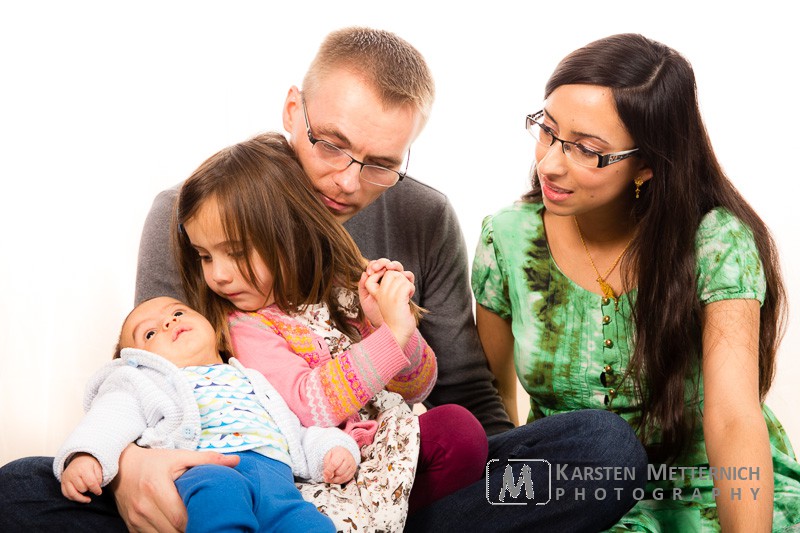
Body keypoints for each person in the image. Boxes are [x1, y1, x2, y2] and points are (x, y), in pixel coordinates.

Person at [0, 27, 646, 533]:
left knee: (602, 447)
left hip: (387, 470)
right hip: (230, 473)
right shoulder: (193, 212)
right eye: (331, 144)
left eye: (380, 164)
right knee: (21, 487)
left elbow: (464, 390)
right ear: (292, 109)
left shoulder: (423, 214)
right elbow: (154, 375)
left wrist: (499, 485)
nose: (346, 179)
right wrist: (129, 468)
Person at [470, 33, 800, 531]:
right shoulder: (507, 238)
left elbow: (733, 419)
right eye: (548, 131)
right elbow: (491, 403)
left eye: (587, 150)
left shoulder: (713, 242)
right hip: (573, 485)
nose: (550, 163)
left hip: (704, 487)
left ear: (646, 164)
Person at [174, 131, 488, 530]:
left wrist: (386, 322)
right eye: (204, 256)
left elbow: (418, 388)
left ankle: (397, 518)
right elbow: (310, 404)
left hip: (381, 455)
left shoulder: (340, 291)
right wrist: (389, 336)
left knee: (457, 432)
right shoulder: (244, 326)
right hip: (318, 478)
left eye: (235, 253)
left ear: (291, 233)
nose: (217, 275)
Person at [56, 296, 358, 532]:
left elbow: (294, 430)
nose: (168, 323)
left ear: (212, 328)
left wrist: (332, 450)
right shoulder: (144, 382)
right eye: (149, 333)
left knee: (306, 521)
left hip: (274, 477)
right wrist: (86, 455)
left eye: (177, 313)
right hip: (202, 469)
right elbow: (109, 417)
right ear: (138, 360)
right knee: (218, 499)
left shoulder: (250, 378)